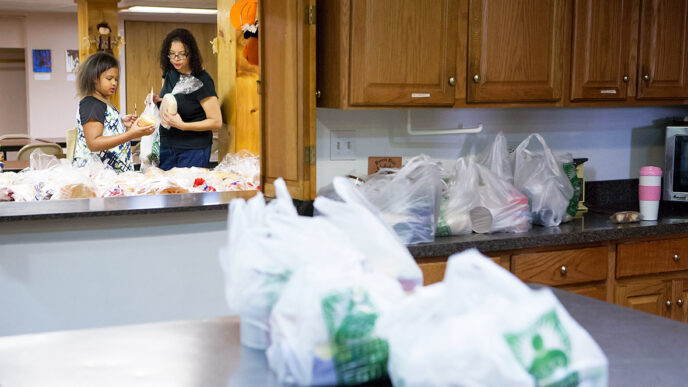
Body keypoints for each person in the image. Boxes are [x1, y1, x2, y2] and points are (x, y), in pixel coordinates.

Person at [74, 52, 155, 172]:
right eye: (109, 78)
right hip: (97, 177)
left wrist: (119, 122)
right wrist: (130, 134)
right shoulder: (92, 104)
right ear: (93, 78)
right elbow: (94, 143)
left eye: (116, 79)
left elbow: (103, 127)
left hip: (111, 176)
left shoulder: (103, 102)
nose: (114, 83)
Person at [154, 28, 222, 170]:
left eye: (181, 54)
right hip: (167, 145)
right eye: (172, 54)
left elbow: (216, 122)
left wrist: (183, 126)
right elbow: (169, 102)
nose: (176, 59)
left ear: (192, 54)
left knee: (189, 190)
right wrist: (156, 101)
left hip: (193, 149)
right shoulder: (169, 73)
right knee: (167, 190)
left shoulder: (202, 81)